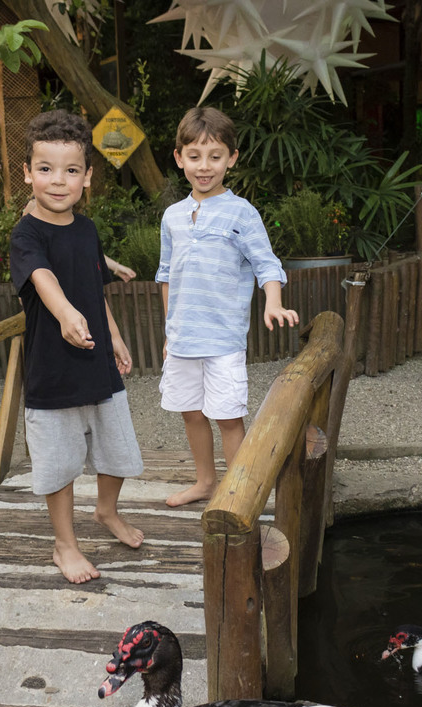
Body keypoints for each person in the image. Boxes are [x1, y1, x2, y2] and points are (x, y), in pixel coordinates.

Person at [10, 109, 145, 584]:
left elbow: (93, 288)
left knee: (117, 451)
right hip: (53, 371)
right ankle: (64, 545)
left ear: (87, 177)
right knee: (61, 464)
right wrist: (65, 314)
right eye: (45, 169)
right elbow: (42, 277)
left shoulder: (87, 230)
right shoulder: (26, 233)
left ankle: (106, 511)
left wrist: (114, 337)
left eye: (71, 170)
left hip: (97, 367)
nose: (58, 181)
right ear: (27, 173)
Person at [157, 106, 299, 507]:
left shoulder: (242, 213)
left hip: (223, 339)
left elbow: (266, 264)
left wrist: (274, 301)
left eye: (215, 156)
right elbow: (166, 275)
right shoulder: (172, 217)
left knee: (227, 417)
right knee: (190, 413)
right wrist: (169, 332)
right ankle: (205, 482)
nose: (205, 167)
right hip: (183, 338)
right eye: (195, 156)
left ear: (232, 159)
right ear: (179, 157)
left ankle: (238, 495)